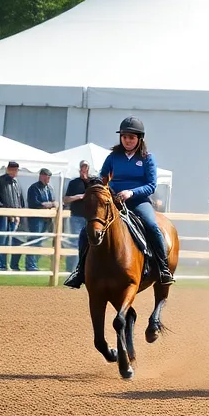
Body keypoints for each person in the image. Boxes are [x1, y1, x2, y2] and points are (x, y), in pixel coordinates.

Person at [66, 117, 175, 288]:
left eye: (131, 137)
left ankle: (163, 268)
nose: (128, 140)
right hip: (113, 201)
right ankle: (79, 270)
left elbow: (152, 185)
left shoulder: (147, 158)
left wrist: (131, 192)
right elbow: (103, 178)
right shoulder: (113, 157)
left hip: (138, 201)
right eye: (124, 137)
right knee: (85, 231)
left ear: (140, 138)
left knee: (152, 226)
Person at [62, 161, 91, 271]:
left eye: (86, 167)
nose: (84, 169)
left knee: (89, 244)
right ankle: (71, 270)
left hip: (90, 218)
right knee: (75, 243)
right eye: (82, 167)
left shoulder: (92, 183)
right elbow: (66, 199)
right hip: (76, 217)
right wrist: (78, 197)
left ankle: (86, 270)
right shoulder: (73, 183)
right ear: (79, 168)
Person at [25, 168, 55, 272]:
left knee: (40, 240)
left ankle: (35, 263)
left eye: (49, 177)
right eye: (47, 176)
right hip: (36, 218)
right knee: (34, 239)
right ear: (42, 176)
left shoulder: (49, 188)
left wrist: (51, 205)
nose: (48, 179)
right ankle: (30, 265)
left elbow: (52, 201)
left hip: (46, 219)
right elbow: (34, 203)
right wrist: (45, 205)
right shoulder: (34, 188)